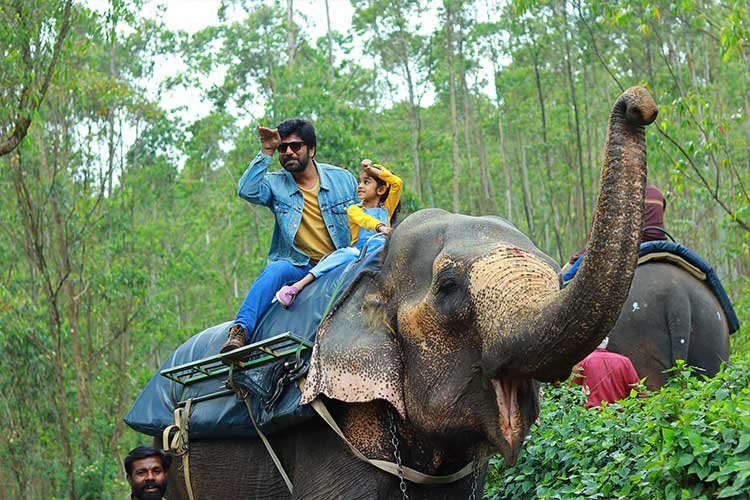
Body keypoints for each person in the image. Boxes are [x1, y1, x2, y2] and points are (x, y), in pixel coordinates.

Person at [221, 119, 357, 353]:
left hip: (340, 262)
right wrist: (267, 151)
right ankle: (240, 330)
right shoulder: (275, 184)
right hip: (301, 264)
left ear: (311, 150)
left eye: (296, 146)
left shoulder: (343, 179)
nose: (288, 152)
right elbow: (246, 190)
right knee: (276, 270)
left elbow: (362, 219)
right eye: (283, 148)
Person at [274, 159, 402, 306]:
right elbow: (365, 220)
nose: (359, 186)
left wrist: (371, 169)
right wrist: (381, 227)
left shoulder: (387, 208)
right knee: (342, 256)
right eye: (359, 182)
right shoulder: (355, 209)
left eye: (366, 182)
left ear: (380, 190)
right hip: (361, 251)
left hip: (383, 250)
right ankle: (296, 287)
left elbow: (397, 183)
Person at [562, 183, 668, 281]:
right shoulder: (658, 193)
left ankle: (565, 281)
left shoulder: (615, 194)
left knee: (565, 280)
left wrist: (575, 259)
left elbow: (595, 240)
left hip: (628, 246)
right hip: (660, 244)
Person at [571, 337, 641, 408]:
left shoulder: (583, 361)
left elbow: (573, 390)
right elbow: (637, 389)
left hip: (591, 414)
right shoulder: (624, 361)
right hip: (619, 414)